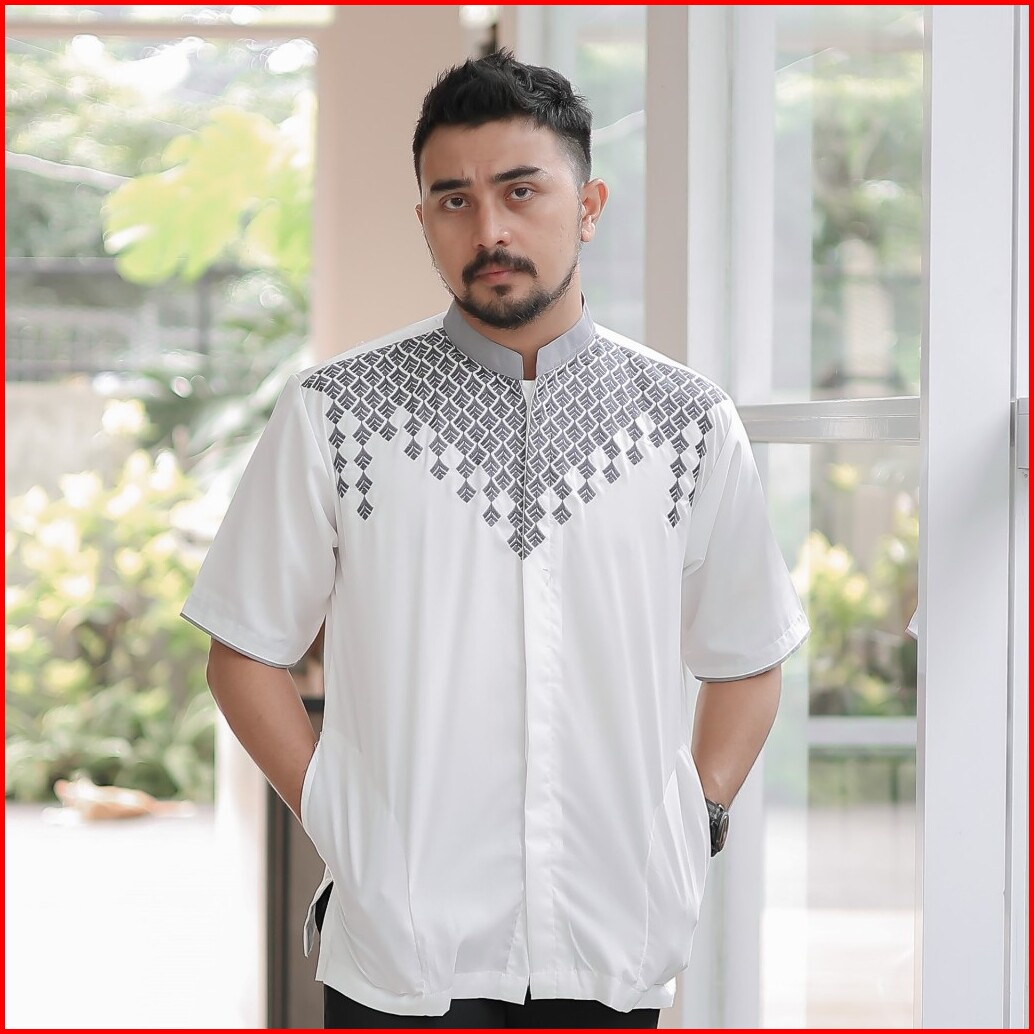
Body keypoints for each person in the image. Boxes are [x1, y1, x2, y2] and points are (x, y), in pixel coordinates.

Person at [182, 50, 809, 1030]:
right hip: (403, 948)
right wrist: (345, 821)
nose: (489, 231)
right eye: (454, 200)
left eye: (521, 191)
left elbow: (746, 654)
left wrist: (697, 819)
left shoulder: (686, 422)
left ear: (588, 204)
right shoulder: (335, 415)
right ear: (425, 219)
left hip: (613, 936)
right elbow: (243, 649)